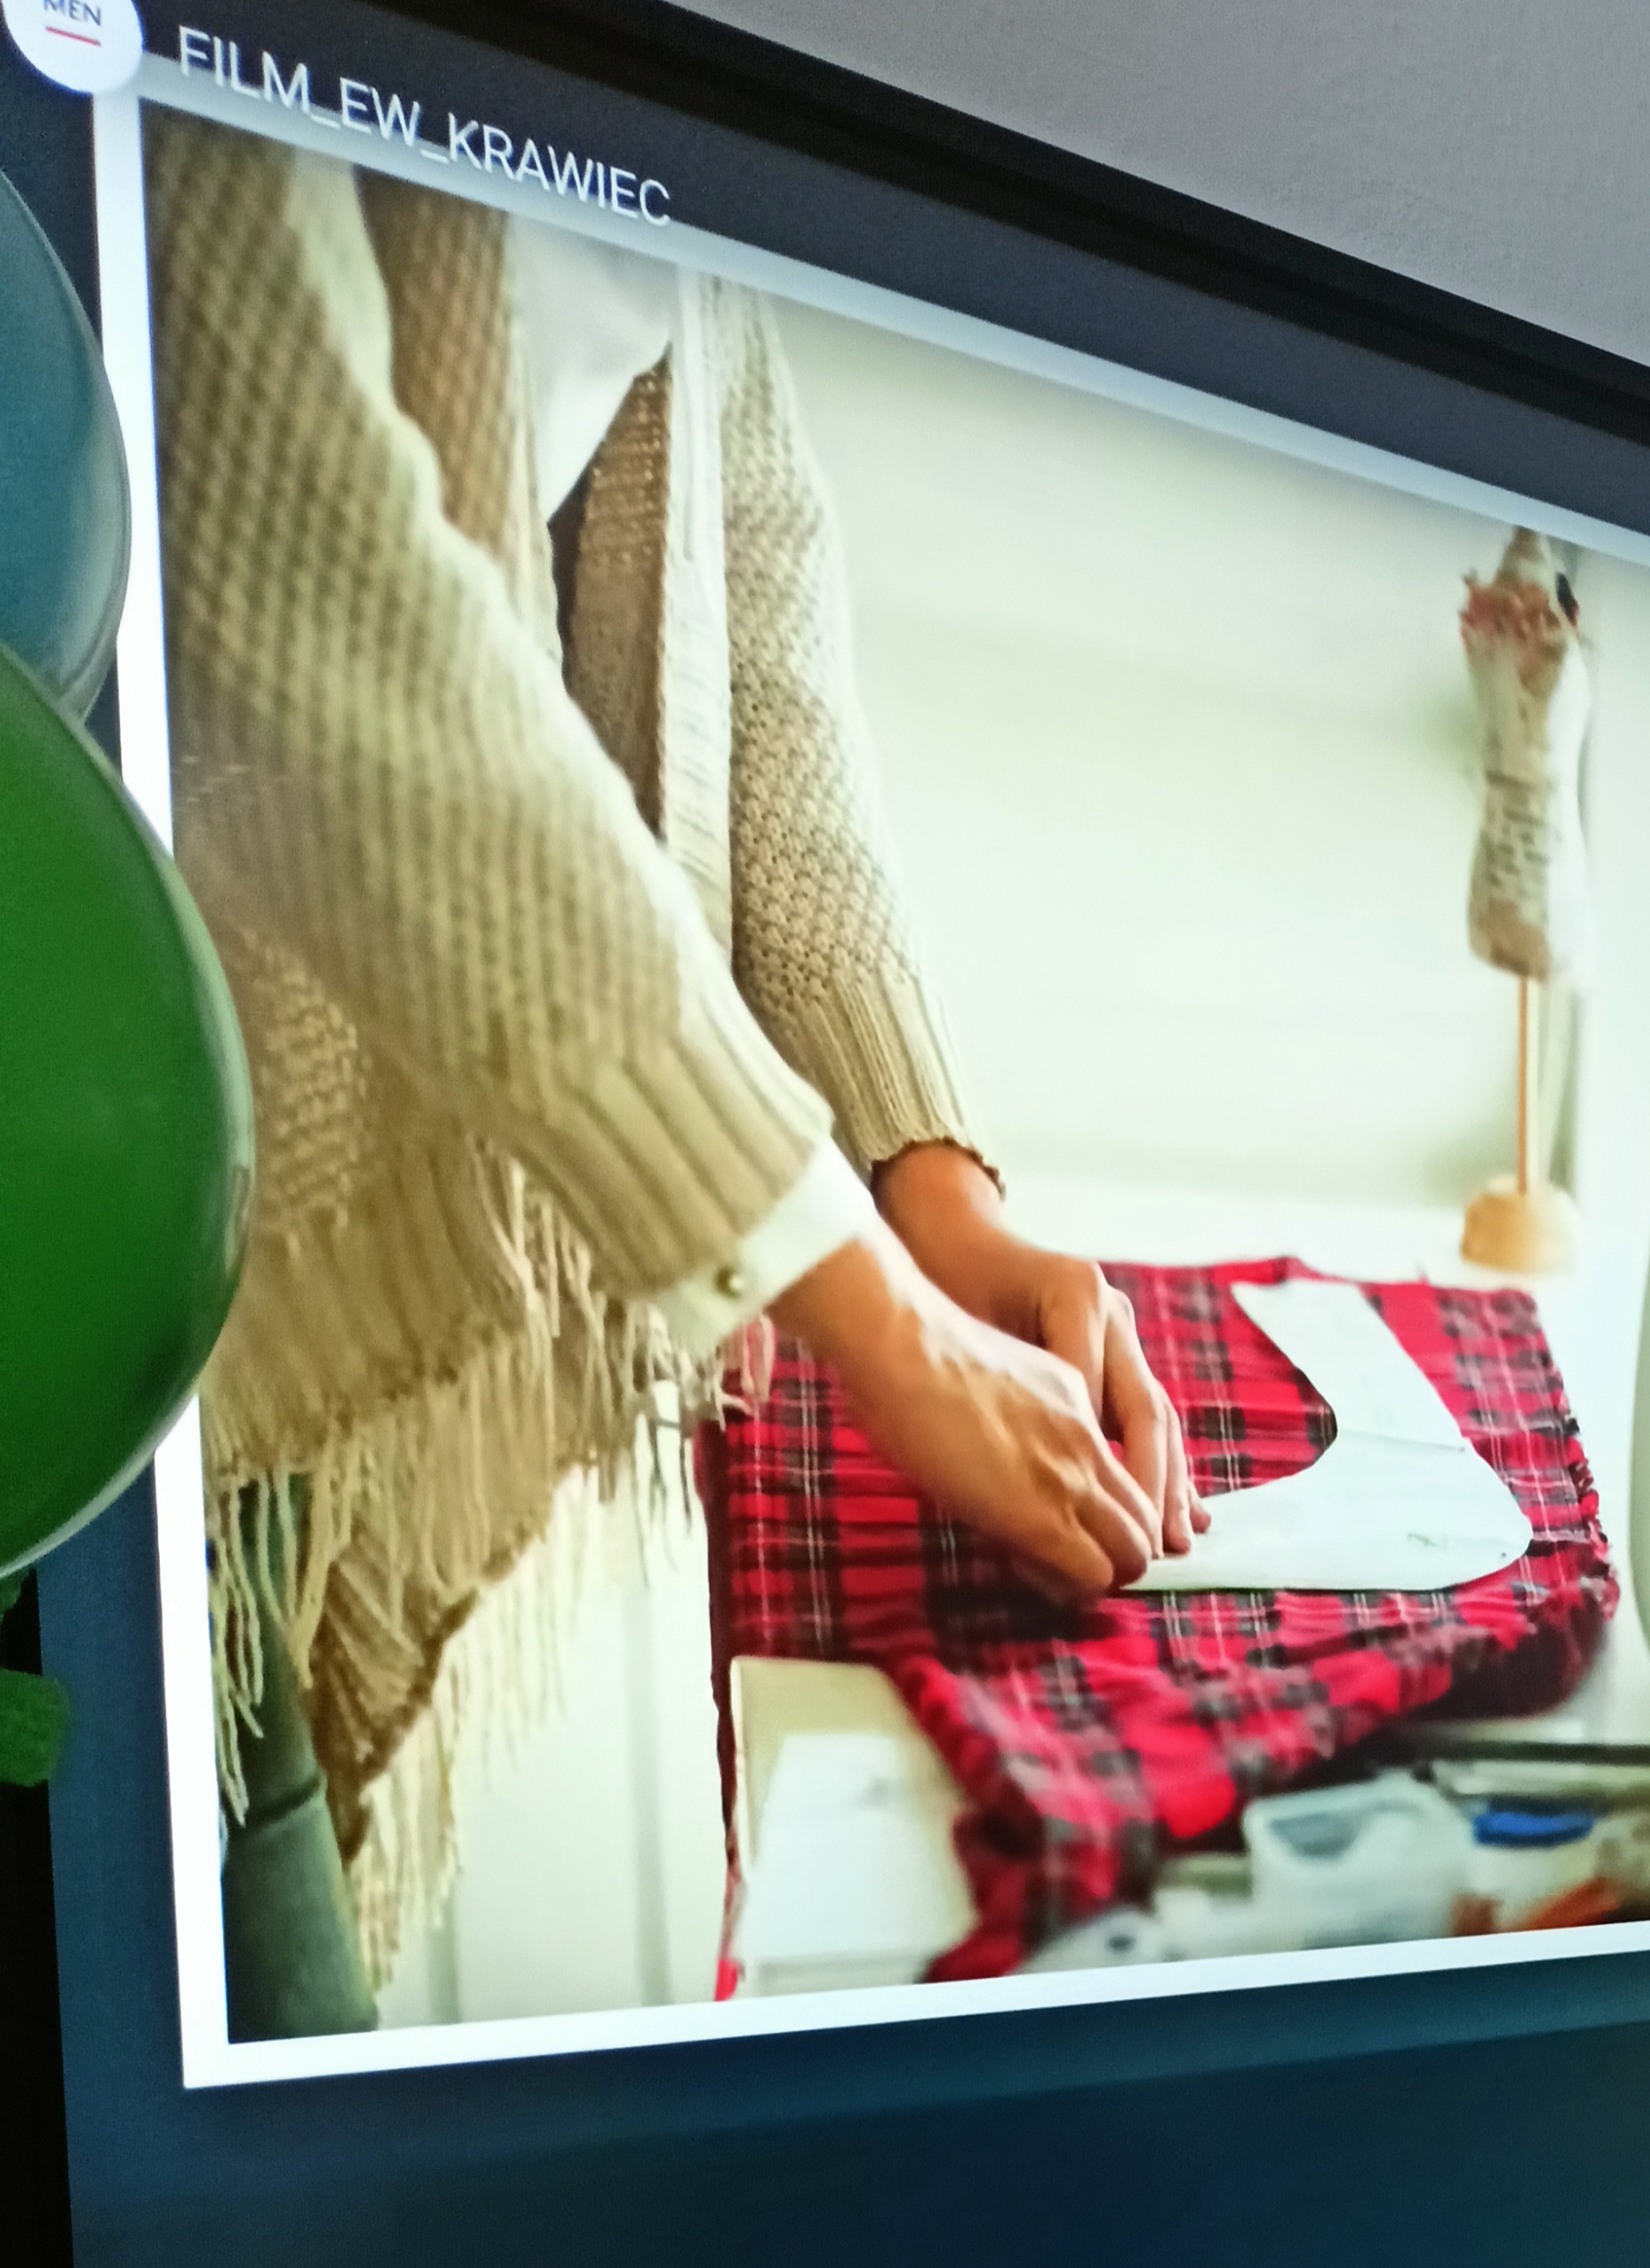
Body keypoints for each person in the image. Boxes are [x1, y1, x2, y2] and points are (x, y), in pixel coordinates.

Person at [146, 117, 1199, 2032]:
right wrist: (867, 1308)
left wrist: (928, 1181)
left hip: (302, 1178)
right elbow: (318, 610)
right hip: (152, 1190)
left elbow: (757, 602)